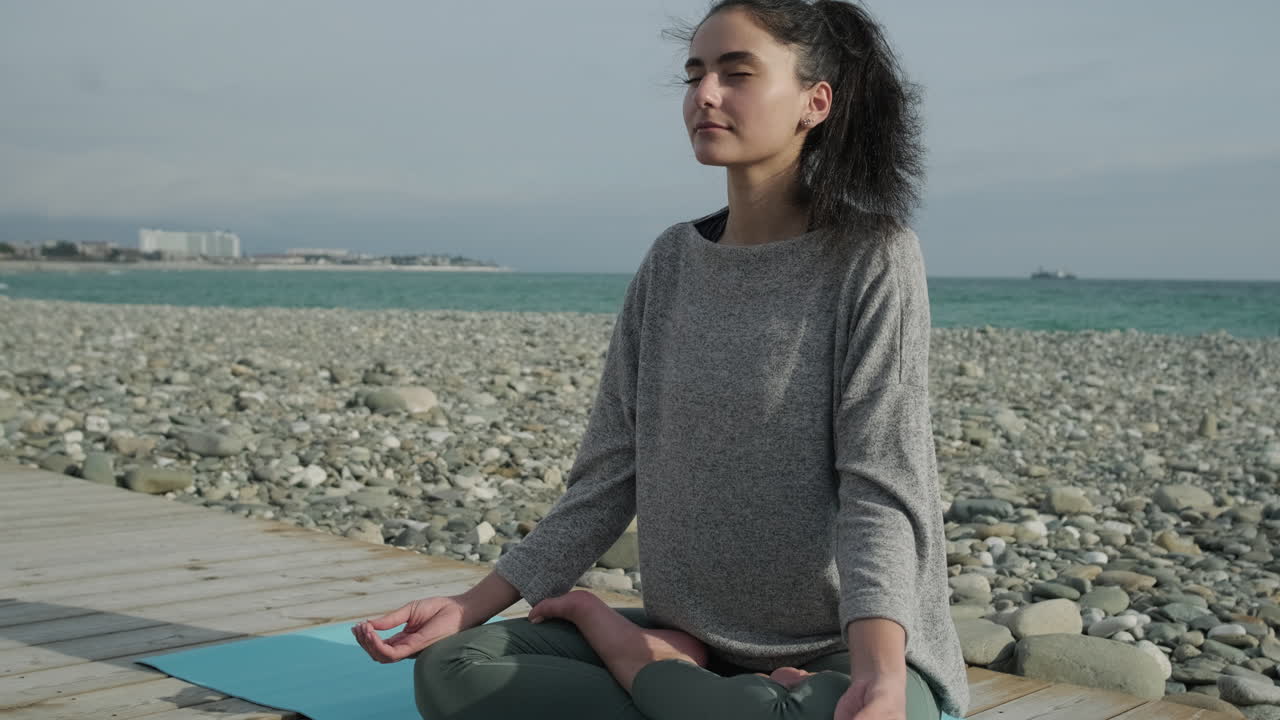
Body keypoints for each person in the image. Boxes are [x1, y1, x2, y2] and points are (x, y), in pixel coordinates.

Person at [353, 1, 969, 718]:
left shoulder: (873, 259)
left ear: (815, 102)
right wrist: (472, 604)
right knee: (455, 671)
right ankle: (686, 684)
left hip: (840, 645)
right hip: (690, 636)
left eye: (736, 74)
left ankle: (643, 663)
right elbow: (610, 473)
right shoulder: (672, 263)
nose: (705, 94)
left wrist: (881, 678)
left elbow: (879, 489)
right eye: (696, 74)